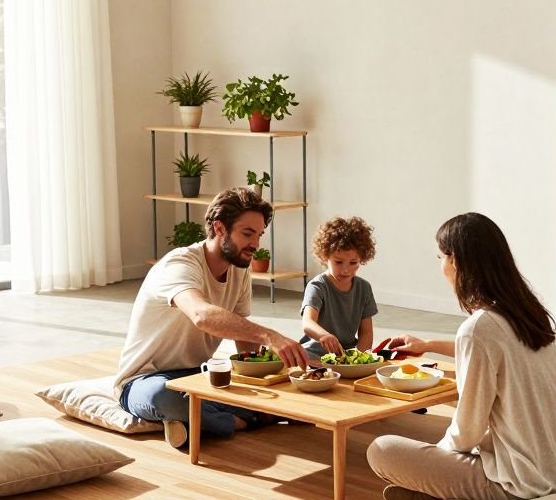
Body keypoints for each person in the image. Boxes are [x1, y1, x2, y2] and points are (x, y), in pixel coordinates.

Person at [367, 212, 556, 500]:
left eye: (440, 257)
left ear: (455, 261)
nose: (440, 266)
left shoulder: (479, 329)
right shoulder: (527, 313)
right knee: (461, 449)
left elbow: (467, 430)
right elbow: (496, 353)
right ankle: (435, 491)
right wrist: (428, 346)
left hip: (519, 484)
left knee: (381, 450)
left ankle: (438, 490)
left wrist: (436, 459)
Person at [115, 187, 310, 449]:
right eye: (247, 234)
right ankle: (244, 421)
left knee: (276, 388)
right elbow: (201, 314)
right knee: (167, 397)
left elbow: (244, 341)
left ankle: (195, 422)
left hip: (198, 376)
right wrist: (270, 336)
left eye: (259, 235)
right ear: (219, 228)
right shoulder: (180, 265)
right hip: (145, 380)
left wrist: (265, 378)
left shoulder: (239, 270)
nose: (256, 244)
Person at [299, 216, 379, 358]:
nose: (346, 270)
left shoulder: (364, 288)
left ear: (362, 258)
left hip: (348, 353)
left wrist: (358, 358)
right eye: (338, 262)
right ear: (325, 256)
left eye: (353, 262)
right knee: (302, 359)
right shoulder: (317, 286)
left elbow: (366, 332)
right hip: (316, 352)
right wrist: (324, 336)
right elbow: (307, 322)